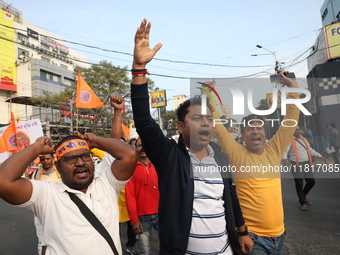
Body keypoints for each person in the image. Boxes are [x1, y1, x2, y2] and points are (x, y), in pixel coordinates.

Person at [130, 19, 253, 255]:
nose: (205, 122)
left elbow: (231, 196)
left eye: (208, 118)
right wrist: (138, 67)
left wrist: (242, 230)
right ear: (180, 126)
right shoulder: (169, 156)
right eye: (196, 118)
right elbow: (144, 121)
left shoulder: (220, 157)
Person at [0, 132, 138, 254]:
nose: (80, 163)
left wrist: (96, 141)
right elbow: (3, 181)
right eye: (71, 159)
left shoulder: (107, 183)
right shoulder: (47, 194)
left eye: (85, 156)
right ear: (58, 167)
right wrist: (36, 148)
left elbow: (130, 154)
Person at [211, 71, 300, 254]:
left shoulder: (274, 150)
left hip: (280, 235)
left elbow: (290, 120)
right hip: (253, 238)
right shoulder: (236, 153)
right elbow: (217, 126)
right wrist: (207, 95)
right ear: (242, 135)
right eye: (249, 129)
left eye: (259, 128)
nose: (255, 132)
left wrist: (292, 87)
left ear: (265, 133)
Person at [110, 92, 140, 255]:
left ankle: (130, 244)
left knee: (130, 227)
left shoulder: (134, 163)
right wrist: (117, 112)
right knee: (113, 229)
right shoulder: (107, 166)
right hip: (114, 203)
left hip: (128, 202)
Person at [125, 138, 160, 255]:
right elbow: (129, 196)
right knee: (145, 251)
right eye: (139, 146)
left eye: (145, 144)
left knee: (168, 246)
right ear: (135, 149)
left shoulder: (159, 165)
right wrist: (134, 220)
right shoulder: (131, 169)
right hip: (142, 218)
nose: (142, 148)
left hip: (161, 214)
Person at [283, 125, 326, 211]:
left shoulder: (303, 139)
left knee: (311, 181)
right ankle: (302, 203)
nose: (298, 131)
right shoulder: (289, 140)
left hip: (306, 163)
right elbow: (285, 151)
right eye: (296, 130)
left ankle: (303, 196)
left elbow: (309, 149)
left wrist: (320, 156)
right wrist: (285, 159)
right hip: (296, 164)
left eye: (299, 129)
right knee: (299, 184)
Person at [30, 152, 61, 255]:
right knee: (42, 241)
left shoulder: (61, 172)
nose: (45, 161)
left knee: (61, 239)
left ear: (53, 158)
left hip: (59, 212)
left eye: (48, 159)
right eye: (43, 159)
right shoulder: (35, 174)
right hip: (40, 214)